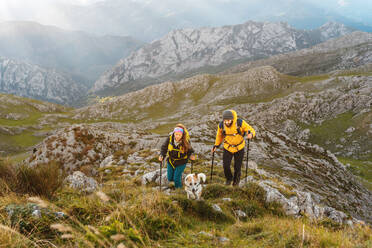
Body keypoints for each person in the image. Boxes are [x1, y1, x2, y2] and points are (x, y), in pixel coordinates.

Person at [212, 110, 255, 186]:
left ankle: (236, 182)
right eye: (225, 121)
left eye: (228, 120)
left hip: (239, 148)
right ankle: (229, 179)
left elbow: (250, 129)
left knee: (237, 167)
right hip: (227, 148)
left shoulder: (240, 123)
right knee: (226, 166)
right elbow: (219, 136)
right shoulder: (221, 125)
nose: (227, 122)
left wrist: (251, 134)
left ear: (232, 119)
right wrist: (216, 145)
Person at [159, 124, 195, 189]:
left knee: (176, 178)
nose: (177, 136)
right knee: (170, 178)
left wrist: (191, 155)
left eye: (179, 135)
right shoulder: (170, 139)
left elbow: (190, 150)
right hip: (171, 161)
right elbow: (164, 147)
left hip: (181, 162)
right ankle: (179, 182)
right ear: (174, 133)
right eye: (176, 134)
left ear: (182, 135)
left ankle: (179, 190)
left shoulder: (186, 141)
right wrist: (162, 155)